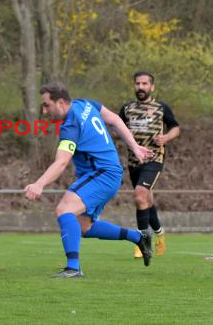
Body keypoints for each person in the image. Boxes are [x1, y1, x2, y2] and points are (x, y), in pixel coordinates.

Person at [24, 82, 154, 278]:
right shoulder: (85, 104)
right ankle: (139, 237)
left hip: (101, 173)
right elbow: (115, 119)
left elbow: (61, 162)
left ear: (60, 102)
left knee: (64, 209)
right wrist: (134, 146)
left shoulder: (71, 125)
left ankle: (73, 268)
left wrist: (39, 184)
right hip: (107, 173)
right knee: (83, 226)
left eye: (46, 105)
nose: (44, 110)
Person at [119, 71, 180, 258]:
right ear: (134, 86)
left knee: (139, 196)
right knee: (146, 200)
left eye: (145, 84)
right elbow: (117, 127)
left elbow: (175, 128)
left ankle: (142, 241)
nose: (141, 87)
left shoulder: (161, 108)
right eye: (138, 83)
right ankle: (160, 234)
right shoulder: (127, 109)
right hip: (133, 161)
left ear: (151, 87)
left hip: (154, 159)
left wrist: (166, 137)